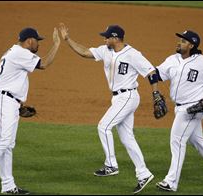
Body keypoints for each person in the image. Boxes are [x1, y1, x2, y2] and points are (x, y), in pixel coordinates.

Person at [58, 23, 167, 194]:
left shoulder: (133, 54)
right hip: (118, 98)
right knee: (127, 138)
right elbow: (85, 52)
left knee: (104, 126)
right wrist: (67, 40)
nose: (104, 39)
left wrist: (155, 94)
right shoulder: (105, 50)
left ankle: (111, 164)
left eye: (107, 36)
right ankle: (143, 174)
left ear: (115, 38)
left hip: (128, 96)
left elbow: (151, 72)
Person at [0, 27, 60, 195]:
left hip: (8, 101)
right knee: (3, 141)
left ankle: (8, 185)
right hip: (5, 100)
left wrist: (16, 104)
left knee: (8, 144)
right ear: (29, 40)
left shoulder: (13, 50)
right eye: (37, 41)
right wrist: (56, 44)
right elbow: (44, 64)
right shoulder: (20, 53)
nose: (38, 44)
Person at [155, 30, 203, 192]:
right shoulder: (172, 60)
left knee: (177, 141)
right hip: (179, 106)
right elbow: (156, 74)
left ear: (191, 45)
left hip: (193, 108)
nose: (179, 43)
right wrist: (152, 85)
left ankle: (171, 181)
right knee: (196, 139)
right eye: (180, 40)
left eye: (183, 41)